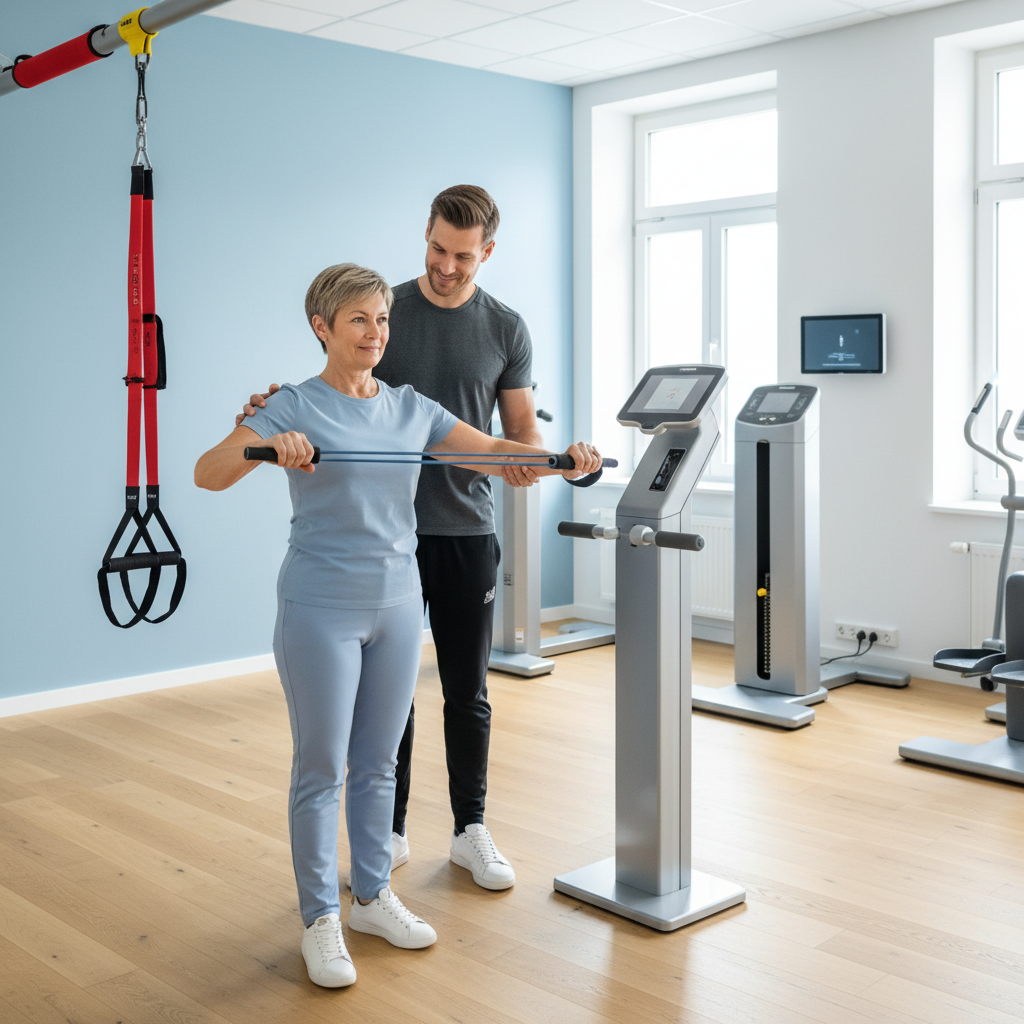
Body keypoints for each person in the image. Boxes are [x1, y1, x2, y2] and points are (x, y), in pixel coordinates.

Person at [199, 263, 600, 989]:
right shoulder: (293, 404)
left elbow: (493, 451)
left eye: (382, 319)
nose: (375, 333)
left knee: (379, 763)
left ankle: (372, 897)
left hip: (397, 604)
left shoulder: (411, 408)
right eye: (358, 319)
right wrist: (264, 446)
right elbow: (209, 470)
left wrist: (563, 461)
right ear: (322, 327)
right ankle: (320, 918)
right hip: (320, 607)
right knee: (321, 767)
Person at [238, 186, 559, 892]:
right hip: (385, 538)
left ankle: (470, 829)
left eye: (462, 256)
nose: (446, 265)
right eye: (437, 248)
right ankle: (386, 833)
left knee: (467, 690)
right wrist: (269, 415)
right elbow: (337, 392)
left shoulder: (505, 328)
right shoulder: (386, 311)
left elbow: (515, 436)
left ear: (487, 253)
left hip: (466, 526)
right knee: (391, 705)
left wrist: (552, 460)